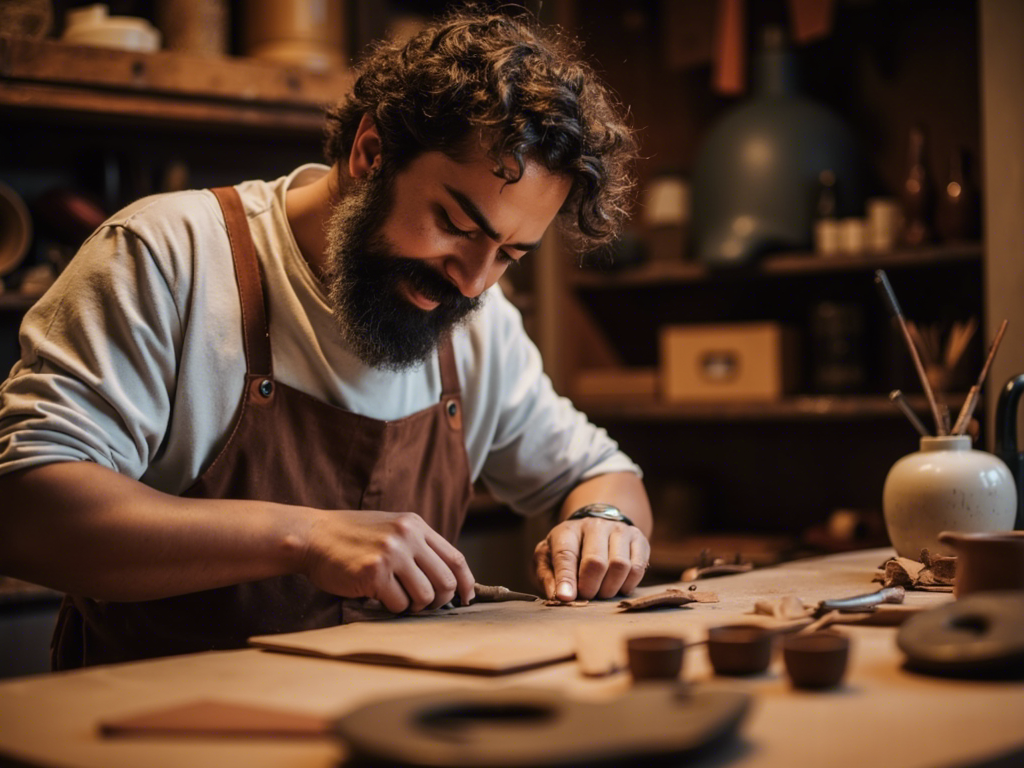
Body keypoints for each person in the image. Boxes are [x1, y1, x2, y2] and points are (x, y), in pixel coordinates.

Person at [0, 7, 652, 668]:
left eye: (509, 253)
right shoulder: (170, 256)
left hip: (384, 729)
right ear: (370, 154)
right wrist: (303, 536)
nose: (475, 280)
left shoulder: (480, 321)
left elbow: (605, 475)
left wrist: (606, 525)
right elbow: (27, 511)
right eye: (456, 223)